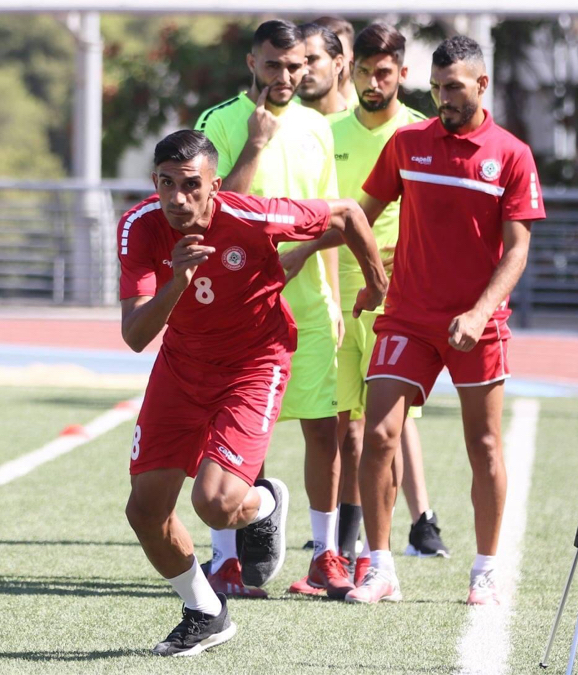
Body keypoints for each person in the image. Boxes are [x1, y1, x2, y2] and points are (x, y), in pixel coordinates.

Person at [121, 130, 388, 655]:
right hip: (180, 370)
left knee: (216, 506)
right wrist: (176, 281)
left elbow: (347, 215)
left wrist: (376, 281)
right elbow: (134, 336)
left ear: (214, 186)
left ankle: (265, 502)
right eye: (165, 184)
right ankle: (205, 612)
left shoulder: (254, 216)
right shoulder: (138, 224)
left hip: (254, 365)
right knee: (145, 512)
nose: (177, 198)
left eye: (191, 185)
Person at [345, 35, 545, 606]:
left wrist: (480, 312)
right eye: (434, 88)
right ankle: (380, 567)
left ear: (482, 85)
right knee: (379, 435)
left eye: (453, 87)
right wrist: (371, 277)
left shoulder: (512, 155)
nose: (442, 99)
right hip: (407, 317)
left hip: (477, 326)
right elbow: (362, 216)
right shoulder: (407, 144)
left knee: (483, 446)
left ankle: (485, 569)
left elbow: (517, 251)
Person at [282, 25, 450, 596]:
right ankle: (342, 555)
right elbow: (324, 218)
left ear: (403, 74)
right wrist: (313, 274)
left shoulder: (420, 133)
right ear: (351, 71)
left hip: (402, 298)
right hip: (342, 290)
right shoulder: (327, 131)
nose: (373, 83)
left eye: (386, 73)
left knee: (382, 429)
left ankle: (376, 558)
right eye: (365, 72)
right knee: (339, 427)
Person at [195, 19, 351, 598]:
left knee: (322, 429)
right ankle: (227, 557)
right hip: (238, 308)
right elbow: (211, 208)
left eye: (296, 66)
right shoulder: (220, 122)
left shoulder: (316, 127)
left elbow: (332, 216)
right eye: (273, 65)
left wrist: (327, 291)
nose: (286, 77)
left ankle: (326, 554)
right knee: (232, 431)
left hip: (307, 306)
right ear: (250, 64)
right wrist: (256, 143)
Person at [296, 23, 348, 117]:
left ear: (338, 64)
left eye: (312, 60)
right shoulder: (276, 124)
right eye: (297, 63)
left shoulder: (364, 124)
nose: (304, 70)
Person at [312, 16, 357, 106]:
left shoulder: (366, 107)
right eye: (315, 58)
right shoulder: (292, 109)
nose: (330, 63)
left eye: (336, 55)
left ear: (353, 58)